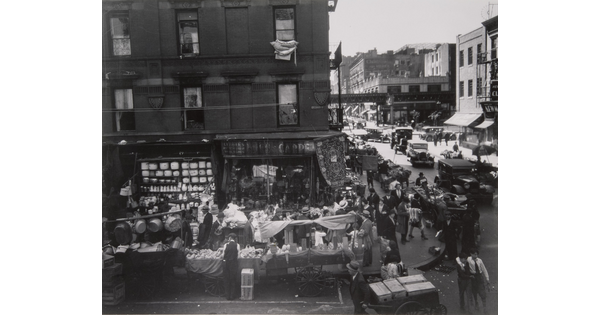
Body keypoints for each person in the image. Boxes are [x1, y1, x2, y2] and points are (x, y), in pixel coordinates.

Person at [467, 248, 490, 313]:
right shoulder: (468, 259)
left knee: (482, 292)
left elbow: (484, 269)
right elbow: (458, 259)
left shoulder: (479, 261)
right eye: (474, 254)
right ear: (471, 254)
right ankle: (476, 303)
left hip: (479, 277)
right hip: (473, 278)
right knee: (474, 292)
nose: (476, 256)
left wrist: (487, 278)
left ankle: (484, 306)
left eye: (477, 254)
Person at [223, 233, 239, 300]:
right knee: (233, 279)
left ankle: (227, 296)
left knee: (227, 279)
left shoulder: (226, 245)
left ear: (229, 238)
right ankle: (232, 296)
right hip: (234, 263)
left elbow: (223, 255)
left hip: (226, 263)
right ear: (235, 239)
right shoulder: (237, 245)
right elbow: (238, 255)